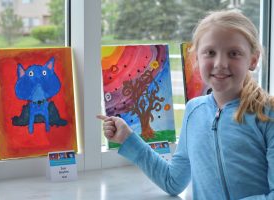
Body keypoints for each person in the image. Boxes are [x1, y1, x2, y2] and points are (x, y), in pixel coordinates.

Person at [97, 10, 274, 200]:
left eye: (233, 53)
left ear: (253, 60)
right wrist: (128, 138)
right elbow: (173, 181)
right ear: (196, 58)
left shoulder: (268, 116)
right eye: (210, 52)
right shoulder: (193, 111)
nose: (220, 63)